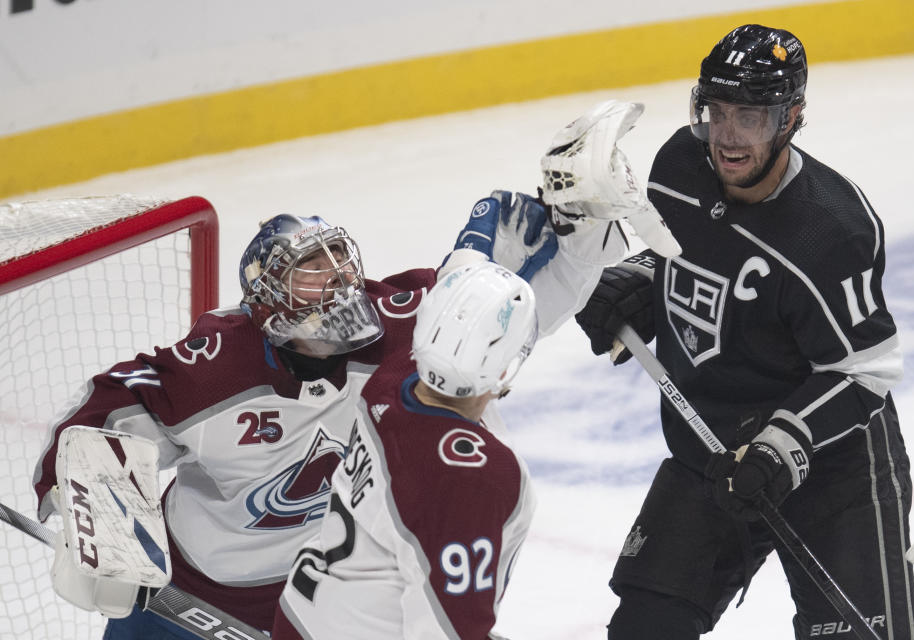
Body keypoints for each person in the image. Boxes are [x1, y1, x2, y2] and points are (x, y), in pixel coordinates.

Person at [32, 100, 679, 639]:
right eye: (312, 273)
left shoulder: (408, 322)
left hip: (316, 604)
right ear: (268, 307)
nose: (340, 282)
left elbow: (525, 305)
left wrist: (580, 219)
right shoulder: (218, 365)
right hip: (185, 599)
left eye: (339, 260)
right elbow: (110, 410)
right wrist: (102, 522)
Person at [574, 24, 914, 639]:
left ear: (792, 117)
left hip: (832, 469)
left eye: (752, 117)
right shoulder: (679, 165)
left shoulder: (830, 231)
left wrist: (783, 445)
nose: (728, 137)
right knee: (644, 631)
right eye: (717, 111)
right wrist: (641, 281)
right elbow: (685, 256)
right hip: (707, 450)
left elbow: (866, 370)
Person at [272, 260, 538, 640]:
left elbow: (458, 327)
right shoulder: (475, 477)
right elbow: (445, 627)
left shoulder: (393, 377)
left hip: (307, 615)